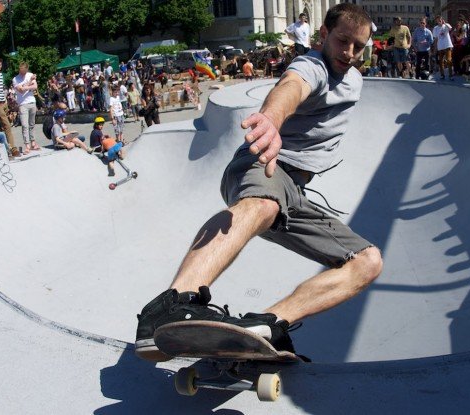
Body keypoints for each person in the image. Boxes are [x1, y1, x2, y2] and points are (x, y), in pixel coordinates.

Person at [134, 3, 382, 362]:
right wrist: (271, 119)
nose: (349, 53)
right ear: (323, 35)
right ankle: (171, 304)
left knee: (367, 261)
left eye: (358, 46)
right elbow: (292, 86)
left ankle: (266, 325)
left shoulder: (354, 77)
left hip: (295, 194)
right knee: (263, 204)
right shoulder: (312, 65)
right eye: (342, 41)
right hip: (264, 163)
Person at [12, 62, 41, 154]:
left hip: (32, 101)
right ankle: (27, 145)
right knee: (25, 125)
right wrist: (29, 84)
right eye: (21, 71)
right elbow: (20, 91)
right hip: (22, 104)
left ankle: (33, 143)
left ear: (27, 69)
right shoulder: (15, 79)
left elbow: (35, 86)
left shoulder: (30, 75)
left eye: (24, 71)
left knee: (32, 124)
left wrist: (25, 86)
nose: (23, 73)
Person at [433, 15, 454, 80]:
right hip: (440, 47)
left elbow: (450, 29)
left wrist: (444, 23)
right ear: (436, 21)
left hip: (447, 46)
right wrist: (435, 48)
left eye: (440, 19)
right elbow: (436, 38)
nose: (439, 21)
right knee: (441, 61)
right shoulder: (435, 28)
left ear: (442, 19)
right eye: (438, 20)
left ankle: (450, 75)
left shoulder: (446, 25)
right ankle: (442, 75)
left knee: (449, 60)